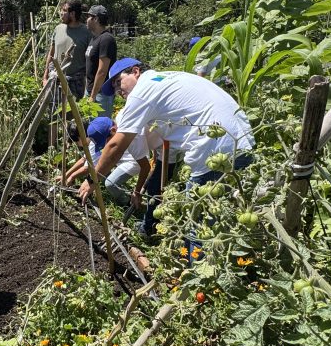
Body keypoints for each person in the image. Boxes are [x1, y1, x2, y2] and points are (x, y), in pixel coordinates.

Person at [79, 58, 254, 245]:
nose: (118, 91)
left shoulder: (141, 92)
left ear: (135, 71)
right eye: (114, 88)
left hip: (213, 148)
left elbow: (116, 146)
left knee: (198, 228)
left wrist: (93, 180)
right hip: (242, 141)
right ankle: (151, 229)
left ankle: (196, 269)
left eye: (118, 82)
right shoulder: (166, 79)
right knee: (227, 218)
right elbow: (164, 161)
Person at [65, 116, 151, 205]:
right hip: (121, 159)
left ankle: (127, 202)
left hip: (132, 162)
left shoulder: (133, 141)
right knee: (102, 172)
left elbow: (145, 167)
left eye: (106, 141)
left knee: (110, 184)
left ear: (113, 130)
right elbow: (88, 160)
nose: (106, 145)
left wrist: (137, 193)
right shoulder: (101, 134)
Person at [43, 0, 90, 99]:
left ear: (72, 14)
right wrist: (45, 76)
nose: (61, 13)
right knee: (53, 111)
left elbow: (90, 59)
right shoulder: (58, 29)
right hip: (55, 80)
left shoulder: (86, 32)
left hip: (75, 83)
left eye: (64, 10)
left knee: (73, 113)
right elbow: (51, 54)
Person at [85, 5, 117, 116]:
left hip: (101, 94)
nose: (86, 19)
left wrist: (93, 96)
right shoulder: (94, 38)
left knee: (100, 130)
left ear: (96, 19)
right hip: (91, 91)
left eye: (89, 16)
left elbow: (102, 71)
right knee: (90, 128)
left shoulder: (106, 39)